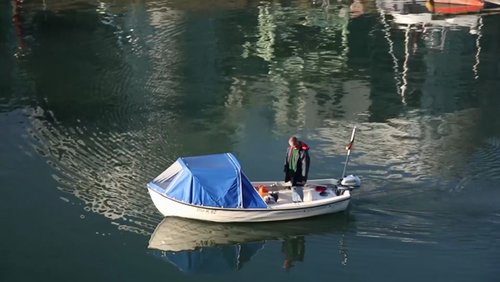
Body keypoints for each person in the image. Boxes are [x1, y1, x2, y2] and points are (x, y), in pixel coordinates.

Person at [284, 136, 310, 202]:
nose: (293, 147)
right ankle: (295, 200)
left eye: (294, 146)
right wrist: (286, 169)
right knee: (293, 186)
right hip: (291, 172)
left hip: (299, 174)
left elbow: (305, 166)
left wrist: (304, 178)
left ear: (297, 143)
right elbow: (286, 159)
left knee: (298, 187)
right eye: (291, 146)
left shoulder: (303, 152)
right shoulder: (289, 149)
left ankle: (300, 202)